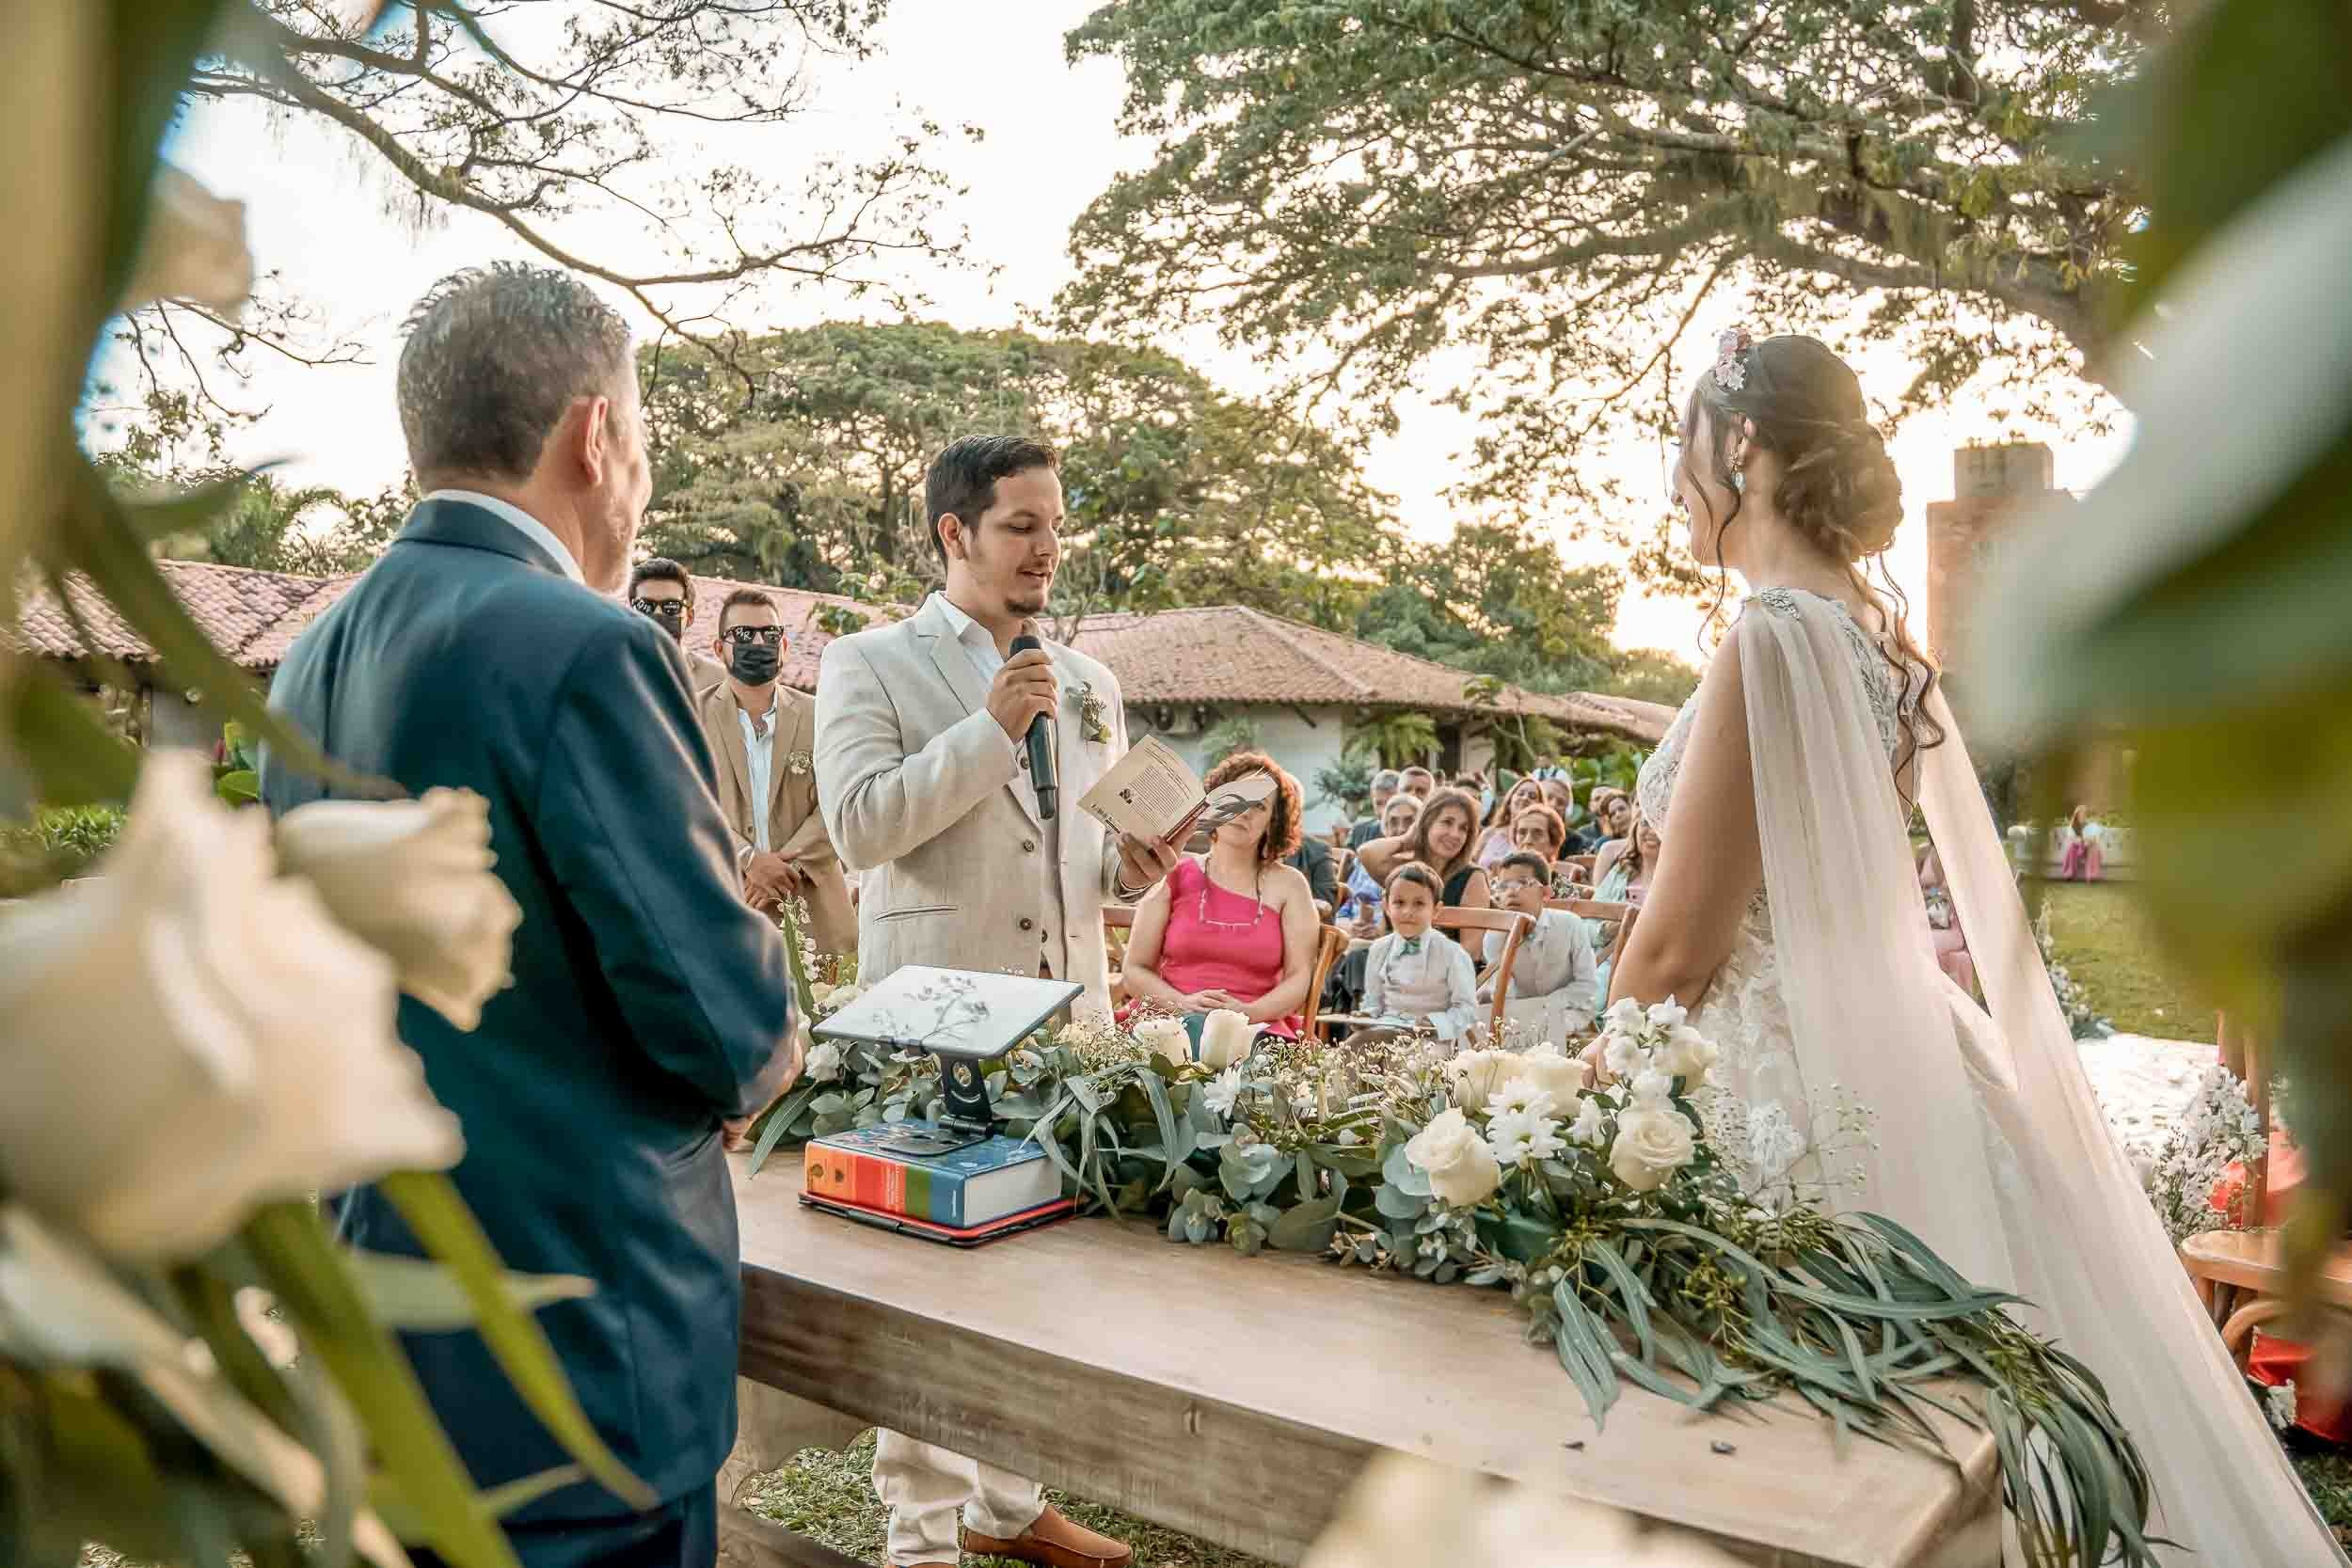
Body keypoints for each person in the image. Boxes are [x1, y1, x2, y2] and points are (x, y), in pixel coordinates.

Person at [1602, 326, 2340, 1564]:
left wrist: (1589, 1078)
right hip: (1889, 1049)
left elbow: (1677, 948)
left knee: (1767, 1435)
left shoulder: (1770, 636)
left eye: (1683, 448)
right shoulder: (1877, 644)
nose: (1672, 483)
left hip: (1753, 1077)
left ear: (1742, 445)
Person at [258, 263, 801, 1568]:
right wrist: (760, 1049)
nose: (642, 483)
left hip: (383, 1339)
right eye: (643, 439)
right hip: (576, 1360)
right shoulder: (588, 644)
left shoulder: (308, 661)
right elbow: (725, 1018)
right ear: (594, 435)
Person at [814, 434, 1176, 1568]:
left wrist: (1132, 868)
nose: (1047, 549)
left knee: (1038, 1277)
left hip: (1066, 1027)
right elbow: (859, 828)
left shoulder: (1090, 682)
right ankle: (921, 1535)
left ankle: (1010, 1504)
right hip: (931, 1027)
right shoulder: (869, 661)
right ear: (953, 531)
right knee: (925, 1284)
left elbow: (1077, 857)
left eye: (1055, 526)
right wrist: (992, 728)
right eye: (1022, 525)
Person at [695, 587, 855, 957]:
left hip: (817, 913)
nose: (758, 643)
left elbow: (842, 800)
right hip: (727, 907)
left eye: (769, 634)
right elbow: (681, 804)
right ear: (719, 648)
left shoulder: (823, 716)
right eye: (743, 634)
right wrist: (748, 860)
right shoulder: (690, 716)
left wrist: (786, 868)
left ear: (784, 645)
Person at [1121, 751, 1321, 1041]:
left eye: (1259, 806)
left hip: (1255, 1028)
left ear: (1273, 822)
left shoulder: (1291, 886)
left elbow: (1299, 978)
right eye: (1236, 798)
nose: (1244, 812)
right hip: (1168, 1021)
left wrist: (1247, 1012)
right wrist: (1182, 1004)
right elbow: (1134, 970)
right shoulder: (1172, 873)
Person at [1481, 850, 1599, 1047]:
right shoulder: (1495, 936)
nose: (1512, 892)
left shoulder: (1570, 924)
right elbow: (1502, 995)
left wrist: (1546, 1005)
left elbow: (1588, 985)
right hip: (1519, 1016)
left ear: (1546, 893)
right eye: (1503, 886)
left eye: (1523, 883)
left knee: (1550, 1030)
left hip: (1571, 1010)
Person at [1358, 862, 1480, 1049]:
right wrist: (1366, 1015)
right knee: (1359, 1045)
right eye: (1399, 903)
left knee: (1385, 1051)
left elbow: (1467, 1010)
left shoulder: (1452, 953)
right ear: (1386, 906)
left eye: (1419, 904)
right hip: (1384, 1031)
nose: (1408, 912)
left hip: (1431, 1041)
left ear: (1436, 910)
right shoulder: (1379, 949)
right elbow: (1374, 1001)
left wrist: (1435, 1022)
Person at [1357, 785, 1490, 909]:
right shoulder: (1407, 868)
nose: (1455, 834)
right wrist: (1407, 839)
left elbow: (1472, 929)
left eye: (1463, 828)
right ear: (1427, 823)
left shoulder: (1473, 877)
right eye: (1447, 822)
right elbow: (1366, 853)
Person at [628, 556, 729, 693]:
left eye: (671, 606)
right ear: (630, 613)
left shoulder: (719, 680)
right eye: (645, 605)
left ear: (690, 617)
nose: (658, 613)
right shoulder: (611, 673)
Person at [1472, 775, 1546, 867]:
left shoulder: (1539, 841)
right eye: (1521, 793)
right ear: (1509, 802)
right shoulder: (1489, 833)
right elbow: (1471, 864)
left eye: (1532, 796)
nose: (1525, 798)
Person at [1347, 768, 1402, 848]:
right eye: (1378, 803)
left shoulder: (1416, 835)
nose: (1383, 811)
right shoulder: (1359, 833)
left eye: (1390, 803)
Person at [2059, 803, 2106, 881]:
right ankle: (2069, 874)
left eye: (2084, 814)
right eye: (2080, 814)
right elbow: (2072, 838)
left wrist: (2089, 841)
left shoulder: (2092, 825)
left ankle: (2092, 875)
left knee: (2094, 848)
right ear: (2076, 815)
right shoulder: (2072, 826)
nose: (2082, 816)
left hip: (2089, 847)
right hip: (2078, 848)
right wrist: (2082, 841)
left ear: (2086, 815)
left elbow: (2096, 837)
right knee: (2071, 847)